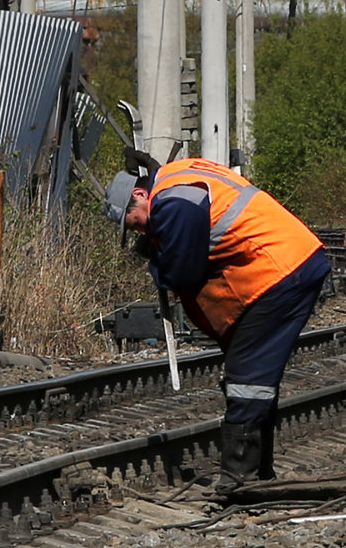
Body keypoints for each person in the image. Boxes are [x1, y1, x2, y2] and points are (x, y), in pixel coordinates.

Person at [104, 154, 330, 492]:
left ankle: (241, 477)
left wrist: (156, 260)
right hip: (282, 264)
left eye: (132, 221)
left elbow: (183, 271)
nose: (137, 228)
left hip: (280, 271)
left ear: (138, 194)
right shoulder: (176, 178)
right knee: (254, 372)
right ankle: (258, 472)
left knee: (248, 374)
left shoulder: (173, 201)